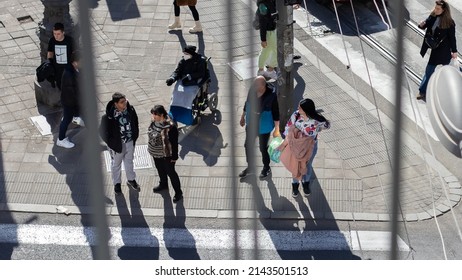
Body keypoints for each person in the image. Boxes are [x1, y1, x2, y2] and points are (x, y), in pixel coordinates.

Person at [278, 98, 330, 198]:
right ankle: (295, 184)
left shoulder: (316, 119)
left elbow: (327, 125)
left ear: (306, 109)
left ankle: (306, 183)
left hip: (311, 147)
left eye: (300, 107)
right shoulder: (296, 115)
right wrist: (284, 143)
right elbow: (288, 128)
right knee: (295, 165)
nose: (298, 108)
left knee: (307, 165)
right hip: (296, 146)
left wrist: (319, 128)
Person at [239, 76, 280, 179]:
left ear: (263, 85)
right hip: (251, 123)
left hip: (263, 126)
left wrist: (277, 129)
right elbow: (247, 103)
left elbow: (276, 112)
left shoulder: (271, 95)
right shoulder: (252, 90)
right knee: (247, 145)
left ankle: (266, 167)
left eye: (257, 84)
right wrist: (242, 116)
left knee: (263, 148)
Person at [100, 92, 140, 195]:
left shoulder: (131, 110)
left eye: (125, 100)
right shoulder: (107, 117)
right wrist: (111, 143)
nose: (125, 103)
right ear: (115, 104)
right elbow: (102, 132)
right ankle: (117, 184)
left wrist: (134, 136)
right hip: (117, 145)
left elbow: (135, 122)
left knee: (129, 161)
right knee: (116, 165)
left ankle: (131, 179)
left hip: (130, 142)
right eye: (122, 102)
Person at [417, 0, 457, 101]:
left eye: (438, 9)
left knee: (448, 71)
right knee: (429, 70)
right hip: (435, 50)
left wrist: (454, 51)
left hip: (444, 51)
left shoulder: (450, 23)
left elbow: (452, 38)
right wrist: (421, 25)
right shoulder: (433, 16)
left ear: (444, 10)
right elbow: (425, 25)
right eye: (435, 8)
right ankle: (423, 92)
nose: (436, 10)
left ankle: (451, 91)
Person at [148, 105, 183, 203]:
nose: (153, 116)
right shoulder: (154, 122)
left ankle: (178, 192)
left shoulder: (171, 127)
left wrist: (174, 157)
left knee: (171, 173)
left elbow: (175, 143)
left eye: (156, 114)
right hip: (156, 153)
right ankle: (163, 184)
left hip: (167, 155)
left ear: (162, 115)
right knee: (160, 170)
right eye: (153, 114)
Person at [56, 51, 82, 149]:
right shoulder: (69, 74)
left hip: (72, 101)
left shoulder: (75, 69)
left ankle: (77, 117)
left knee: (68, 118)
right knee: (66, 120)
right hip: (69, 102)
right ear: (75, 62)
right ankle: (61, 139)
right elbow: (71, 92)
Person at [47, 22, 74, 91]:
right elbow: (50, 52)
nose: (56, 36)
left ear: (63, 32)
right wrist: (50, 63)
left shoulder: (69, 41)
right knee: (60, 86)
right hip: (57, 69)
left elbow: (74, 53)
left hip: (67, 68)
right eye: (54, 34)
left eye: (58, 34)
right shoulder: (52, 41)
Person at [256, 0, 278, 80]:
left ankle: (261, 70)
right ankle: (270, 70)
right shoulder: (264, 5)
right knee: (277, 51)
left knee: (265, 50)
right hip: (270, 32)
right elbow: (263, 23)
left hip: (271, 30)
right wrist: (263, 39)